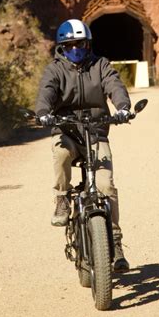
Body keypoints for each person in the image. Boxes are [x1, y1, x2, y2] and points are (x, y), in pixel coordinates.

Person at [35, 18, 131, 272]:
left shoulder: (101, 65)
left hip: (96, 133)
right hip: (67, 131)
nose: (75, 49)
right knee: (62, 153)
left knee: (105, 186)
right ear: (62, 47)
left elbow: (114, 85)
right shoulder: (55, 69)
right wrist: (43, 112)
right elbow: (47, 91)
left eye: (80, 44)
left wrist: (122, 107)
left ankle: (116, 241)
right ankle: (62, 199)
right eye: (70, 45)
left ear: (88, 45)